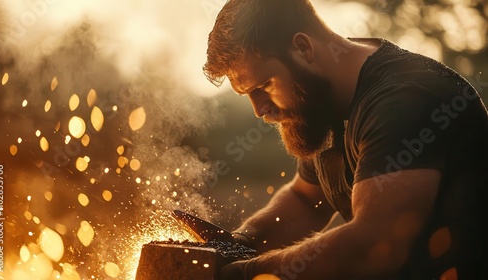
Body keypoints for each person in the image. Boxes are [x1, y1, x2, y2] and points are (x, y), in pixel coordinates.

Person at [203, 0, 488, 279]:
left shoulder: (405, 101)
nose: (259, 109)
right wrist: (237, 244)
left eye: (264, 85)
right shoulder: (321, 99)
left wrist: (247, 273)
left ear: (303, 48)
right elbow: (305, 201)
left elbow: (373, 246)